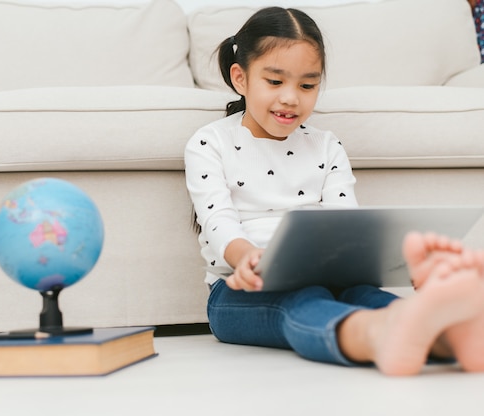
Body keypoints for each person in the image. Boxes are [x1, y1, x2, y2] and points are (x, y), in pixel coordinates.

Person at [184, 7, 484, 376]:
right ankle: (379, 336)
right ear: (240, 78)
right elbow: (218, 220)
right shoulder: (210, 142)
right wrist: (245, 256)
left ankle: (450, 336)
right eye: (275, 82)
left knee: (367, 295)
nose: (291, 98)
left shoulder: (326, 146)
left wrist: (397, 265)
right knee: (304, 301)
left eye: (307, 85)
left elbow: (348, 226)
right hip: (237, 291)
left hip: (331, 280)